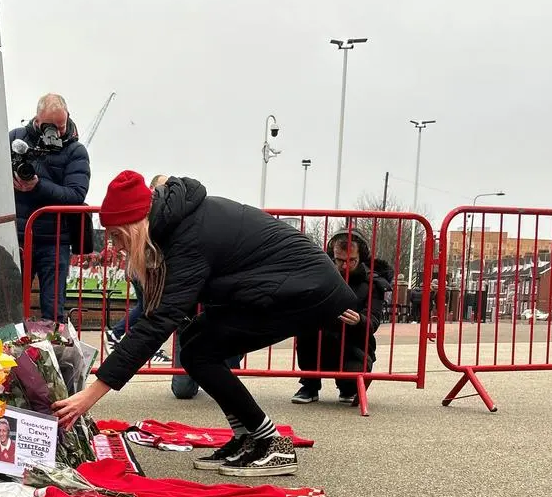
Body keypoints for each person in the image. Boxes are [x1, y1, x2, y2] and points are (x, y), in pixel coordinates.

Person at [52, 171, 360, 477]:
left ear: (136, 227)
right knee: (196, 341)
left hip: (304, 289)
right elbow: (161, 312)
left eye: (118, 235)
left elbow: (158, 323)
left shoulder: (187, 236)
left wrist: (91, 394)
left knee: (201, 352)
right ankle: (247, 436)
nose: (116, 246)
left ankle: (271, 442)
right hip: (285, 284)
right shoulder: (174, 223)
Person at [11, 93, 92, 323]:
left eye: (61, 125)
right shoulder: (14, 139)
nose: (57, 131)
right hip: (18, 238)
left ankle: (54, 355)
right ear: (37, 119)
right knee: (9, 306)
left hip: (54, 241)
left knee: (53, 309)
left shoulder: (76, 151)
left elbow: (76, 195)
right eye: (51, 125)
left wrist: (37, 186)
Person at [292, 230, 393, 406]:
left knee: (350, 386)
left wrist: (359, 320)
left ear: (361, 256)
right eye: (339, 260)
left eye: (351, 260)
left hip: (353, 344)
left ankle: (348, 386)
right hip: (321, 338)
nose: (345, 266)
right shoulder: (320, 275)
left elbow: (374, 321)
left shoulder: (373, 283)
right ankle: (310, 384)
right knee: (306, 330)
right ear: (332, 255)